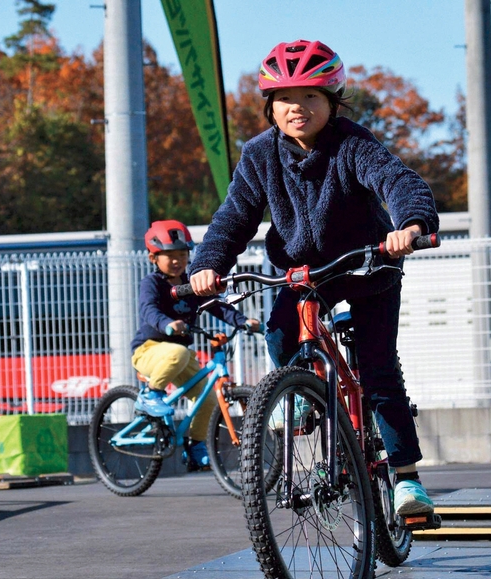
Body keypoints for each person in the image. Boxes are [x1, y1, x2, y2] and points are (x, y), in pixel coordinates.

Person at [189, 39, 440, 516]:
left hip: (369, 267)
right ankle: (304, 394)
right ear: (270, 107)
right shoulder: (259, 155)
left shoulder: (353, 143)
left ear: (332, 101)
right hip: (306, 275)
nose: (297, 108)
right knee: (280, 332)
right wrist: (207, 266)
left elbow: (397, 180)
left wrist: (411, 225)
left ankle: (407, 479)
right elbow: (234, 217)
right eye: (285, 99)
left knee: (378, 370)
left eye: (310, 97)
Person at [131, 220, 260, 471]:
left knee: (209, 399)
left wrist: (243, 321)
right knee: (178, 352)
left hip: (178, 356)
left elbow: (217, 306)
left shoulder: (191, 282)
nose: (178, 260)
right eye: (170, 256)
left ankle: (196, 445)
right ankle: (150, 395)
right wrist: (168, 324)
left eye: (182, 254)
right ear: (153, 257)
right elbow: (148, 310)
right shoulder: (152, 283)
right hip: (148, 349)